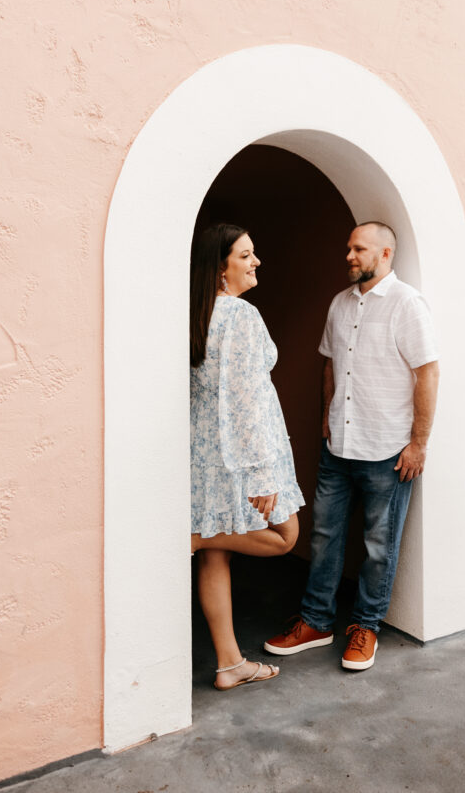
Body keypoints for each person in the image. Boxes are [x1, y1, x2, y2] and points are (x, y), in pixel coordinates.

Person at [265, 221, 439, 671]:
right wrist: (326, 413)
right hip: (338, 446)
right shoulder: (340, 304)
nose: (349, 256)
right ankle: (316, 620)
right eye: (348, 248)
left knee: (379, 544)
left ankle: (366, 626)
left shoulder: (407, 304)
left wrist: (419, 443)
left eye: (358, 249)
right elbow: (330, 364)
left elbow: (427, 373)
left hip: (388, 451)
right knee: (324, 537)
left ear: (385, 255)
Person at [190, 223, 304, 690]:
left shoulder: (196, 314)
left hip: (205, 455)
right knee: (284, 536)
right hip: (241, 456)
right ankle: (190, 537)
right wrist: (260, 473)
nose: (256, 262)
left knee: (219, 553)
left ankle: (229, 663)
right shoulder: (240, 315)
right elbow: (245, 399)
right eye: (246, 255)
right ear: (222, 267)